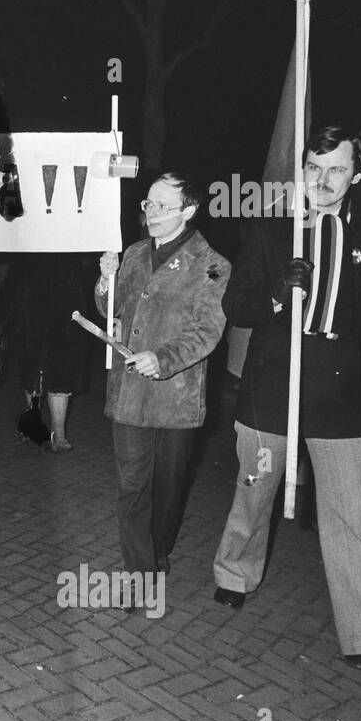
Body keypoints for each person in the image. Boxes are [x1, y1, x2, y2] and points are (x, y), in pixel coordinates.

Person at [211, 125, 361, 679]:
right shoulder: (273, 225)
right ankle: (234, 574)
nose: (324, 181)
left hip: (340, 388)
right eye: (315, 168)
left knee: (351, 513)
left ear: (358, 174)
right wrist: (279, 293)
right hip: (274, 382)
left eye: (338, 170)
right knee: (254, 492)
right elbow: (238, 303)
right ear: (302, 168)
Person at [96, 172, 230, 594]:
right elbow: (111, 309)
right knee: (132, 486)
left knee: (169, 489)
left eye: (161, 206)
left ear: (188, 211)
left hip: (176, 399)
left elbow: (207, 331)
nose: (150, 213)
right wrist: (105, 281)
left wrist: (165, 358)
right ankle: (138, 576)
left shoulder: (211, 265)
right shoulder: (133, 254)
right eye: (147, 205)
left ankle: (158, 550)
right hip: (131, 393)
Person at [0, 252, 94, 451]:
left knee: (61, 376)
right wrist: (0, 315)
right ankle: (33, 426)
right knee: (32, 376)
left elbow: (82, 280)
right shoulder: (29, 248)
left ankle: (59, 434)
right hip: (31, 319)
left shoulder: (70, 245)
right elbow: (13, 280)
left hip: (65, 320)